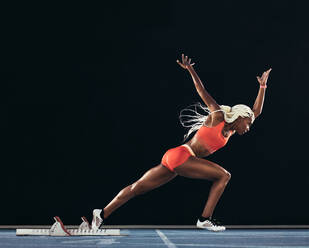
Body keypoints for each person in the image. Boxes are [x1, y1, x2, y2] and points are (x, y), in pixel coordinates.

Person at [91, 54, 271, 231]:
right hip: (183, 156)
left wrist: (262, 87)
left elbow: (256, 111)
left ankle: (101, 214)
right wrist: (191, 69)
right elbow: (202, 91)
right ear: (240, 117)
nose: (249, 127)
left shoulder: (232, 129)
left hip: (175, 157)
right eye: (248, 123)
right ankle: (204, 219)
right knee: (224, 176)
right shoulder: (218, 116)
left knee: (137, 188)